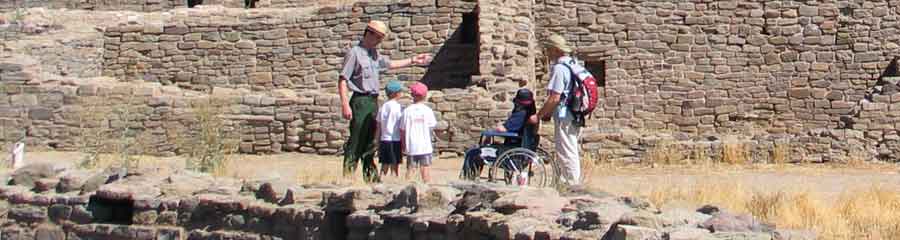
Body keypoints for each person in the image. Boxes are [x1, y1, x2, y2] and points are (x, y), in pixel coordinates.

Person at [338, 20, 432, 183]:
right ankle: (348, 174)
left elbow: (390, 64)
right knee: (357, 139)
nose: (379, 41)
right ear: (369, 34)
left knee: (370, 142)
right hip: (360, 100)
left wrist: (413, 60)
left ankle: (371, 177)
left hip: (373, 101)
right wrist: (345, 104)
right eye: (378, 38)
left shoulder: (374, 54)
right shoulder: (354, 53)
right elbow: (343, 80)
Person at [529, 34, 584, 185]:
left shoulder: (560, 68)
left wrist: (539, 116)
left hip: (564, 114)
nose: (547, 53)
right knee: (570, 148)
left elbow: (554, 97)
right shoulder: (573, 64)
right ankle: (568, 181)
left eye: (548, 50)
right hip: (575, 113)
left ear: (555, 50)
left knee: (567, 150)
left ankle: (572, 185)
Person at [461, 88, 538, 180]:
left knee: (473, 153)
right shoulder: (531, 114)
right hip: (519, 150)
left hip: (511, 154)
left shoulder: (520, 115)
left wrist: (492, 131)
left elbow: (502, 129)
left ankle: (467, 179)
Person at [399, 82, 437, 183]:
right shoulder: (427, 110)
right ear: (425, 95)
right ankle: (426, 186)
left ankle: (406, 187)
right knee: (425, 168)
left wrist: (403, 144)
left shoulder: (407, 111)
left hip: (411, 145)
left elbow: (402, 129)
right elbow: (431, 126)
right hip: (425, 145)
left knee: (410, 169)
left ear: (412, 95)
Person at [376, 81, 405, 177]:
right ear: (395, 93)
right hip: (395, 138)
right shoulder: (398, 107)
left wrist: (377, 139)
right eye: (400, 91)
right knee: (395, 163)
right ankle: (394, 178)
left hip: (385, 138)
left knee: (385, 162)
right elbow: (401, 124)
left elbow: (379, 125)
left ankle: (381, 177)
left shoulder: (383, 107)